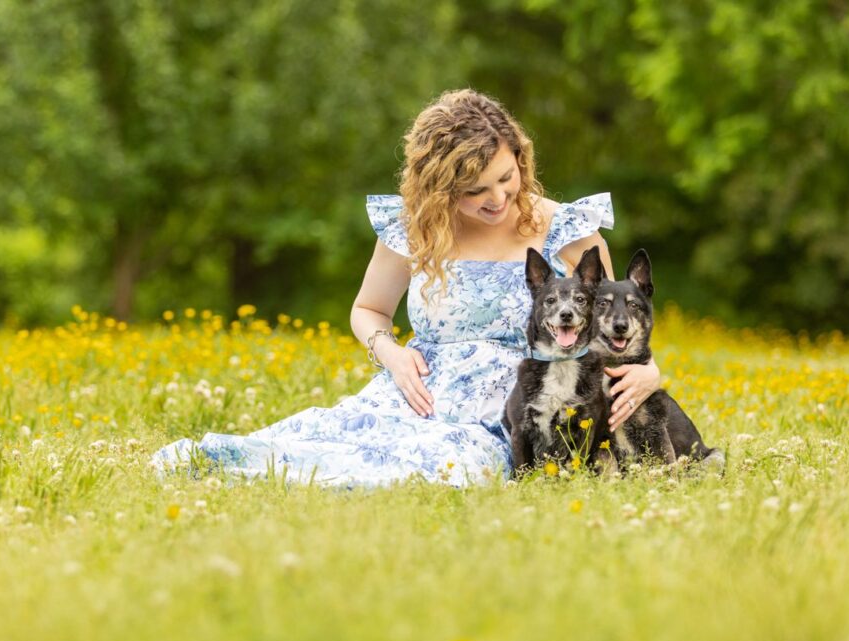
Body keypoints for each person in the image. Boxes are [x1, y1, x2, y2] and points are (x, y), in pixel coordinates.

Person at [151, 89, 660, 486]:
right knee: (321, 446)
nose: (497, 198)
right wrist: (391, 354)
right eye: (474, 191)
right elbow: (368, 309)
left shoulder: (568, 229)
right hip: (420, 393)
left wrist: (650, 371)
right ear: (440, 188)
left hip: (522, 404)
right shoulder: (414, 229)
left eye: (506, 177)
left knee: (451, 468)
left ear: (520, 160)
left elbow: (617, 323)